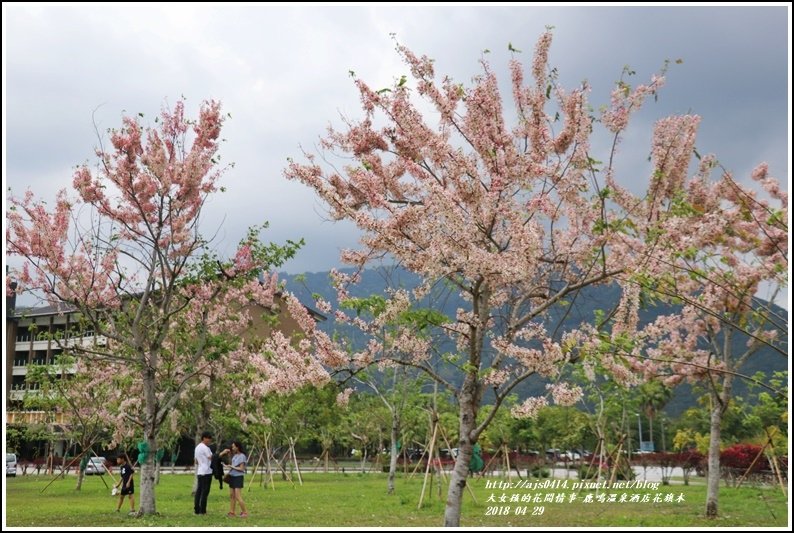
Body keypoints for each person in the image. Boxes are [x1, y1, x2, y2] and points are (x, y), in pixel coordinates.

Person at [219, 441, 248, 518]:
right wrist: (228, 464)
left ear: (237, 447)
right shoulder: (234, 456)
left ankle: (245, 512)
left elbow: (241, 468)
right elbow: (232, 465)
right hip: (232, 476)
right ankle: (232, 512)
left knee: (238, 496)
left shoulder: (242, 456)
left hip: (238, 477)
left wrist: (232, 467)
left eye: (233, 446)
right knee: (232, 495)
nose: (232, 448)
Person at [194, 431, 213, 515]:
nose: (209, 441)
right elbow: (210, 457)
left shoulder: (197, 447)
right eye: (208, 439)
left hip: (200, 471)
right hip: (206, 472)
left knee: (199, 491)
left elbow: (196, 461)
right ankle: (203, 510)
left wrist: (202, 462)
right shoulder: (205, 448)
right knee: (205, 492)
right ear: (204, 438)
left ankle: (197, 509)